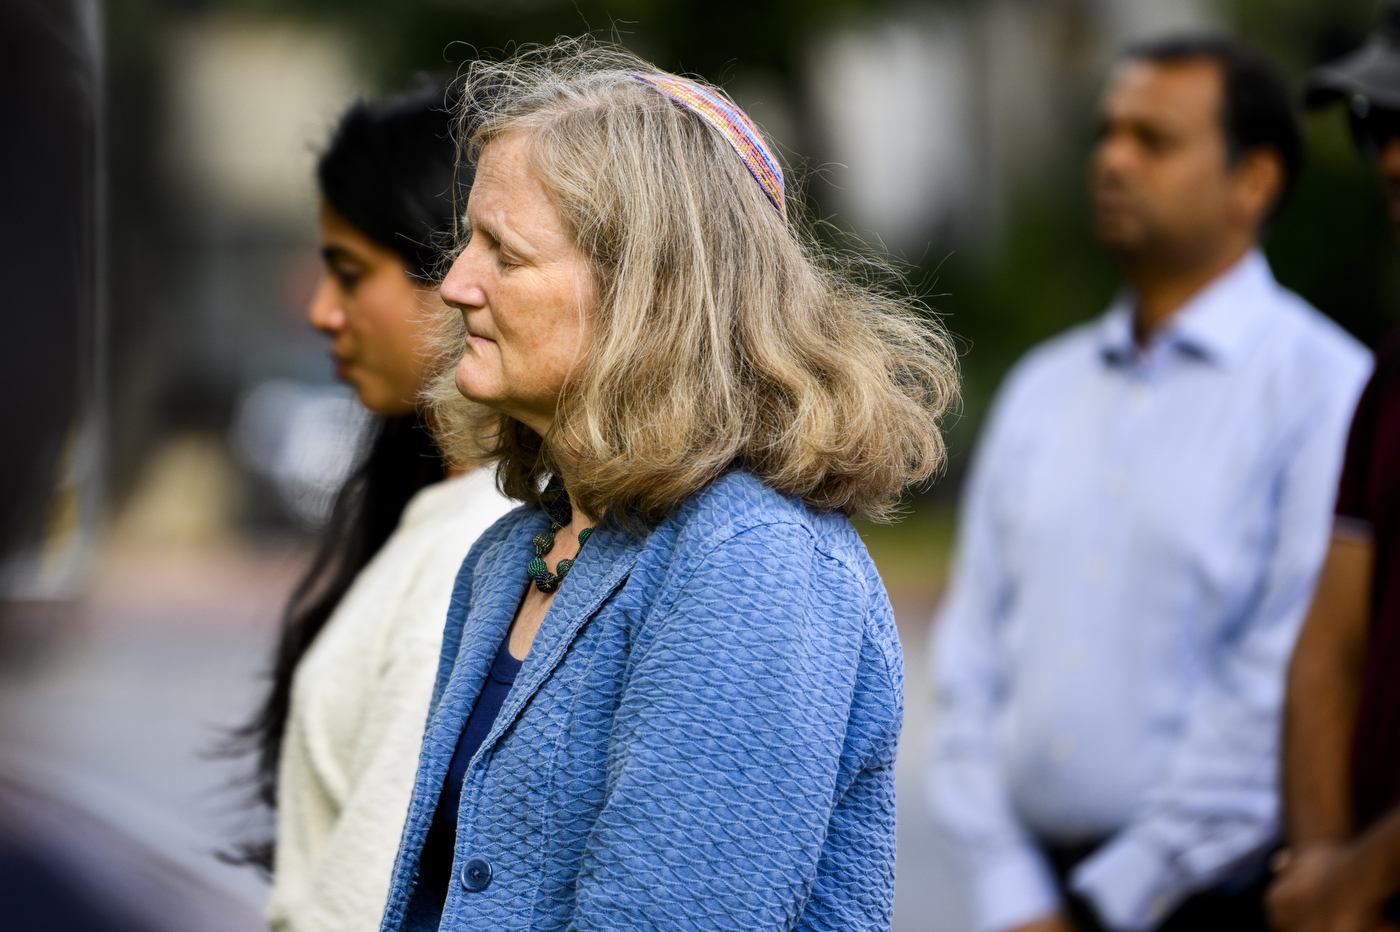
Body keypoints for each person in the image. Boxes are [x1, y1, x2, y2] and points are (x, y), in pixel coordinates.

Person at [374, 40, 958, 932]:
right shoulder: (507, 556)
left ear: (648, 293)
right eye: (467, 243)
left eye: (505, 252)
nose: (455, 284)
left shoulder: (753, 562)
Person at [926, 36, 1372, 932]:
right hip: (1027, 899)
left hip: (1218, 901)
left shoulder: (1325, 389)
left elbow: (1286, 674)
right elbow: (970, 656)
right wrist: (1015, 893)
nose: (1113, 159)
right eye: (1107, 132)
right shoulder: (1043, 391)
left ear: (1255, 181)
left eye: (1153, 139)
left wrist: (1108, 901)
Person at [238, 84, 515, 932]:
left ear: (457, 270)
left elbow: (373, 890)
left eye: (351, 273)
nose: (323, 312)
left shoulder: (487, 547)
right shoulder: (440, 514)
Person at [1268, 5, 1400, 929]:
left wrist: (1354, 880)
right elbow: (1329, 649)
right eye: (1375, 124)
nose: (1386, 155)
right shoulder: (1390, 380)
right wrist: (1322, 870)